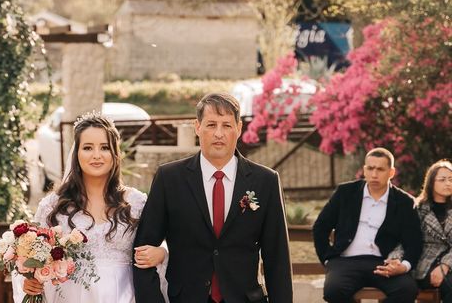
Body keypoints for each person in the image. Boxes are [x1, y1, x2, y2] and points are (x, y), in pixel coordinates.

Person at [133, 92, 293, 303]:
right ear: (197, 127)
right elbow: (141, 253)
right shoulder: (169, 179)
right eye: (211, 125)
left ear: (239, 129)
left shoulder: (265, 181)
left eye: (226, 125)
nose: (219, 133)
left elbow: (277, 259)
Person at [12, 113, 166, 303]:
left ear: (115, 154)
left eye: (104, 147)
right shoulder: (53, 206)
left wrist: (162, 253)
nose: (96, 155)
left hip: (124, 295)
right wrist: (28, 282)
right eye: (87, 148)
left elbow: (166, 243)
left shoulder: (136, 202)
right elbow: (30, 256)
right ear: (76, 154)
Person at [312, 147, 423, 303]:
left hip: (383, 263)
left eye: (380, 169)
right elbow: (320, 227)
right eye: (370, 168)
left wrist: (403, 266)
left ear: (391, 173)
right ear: (364, 170)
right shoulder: (345, 193)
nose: (374, 174)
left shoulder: (404, 202)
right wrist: (327, 259)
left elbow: (414, 242)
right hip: (345, 262)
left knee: (407, 290)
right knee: (333, 291)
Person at [412, 159, 452, 302]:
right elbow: (409, 240)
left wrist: (446, 264)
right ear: (431, 183)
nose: (448, 183)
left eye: (450, 179)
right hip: (426, 263)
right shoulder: (418, 209)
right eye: (442, 180)